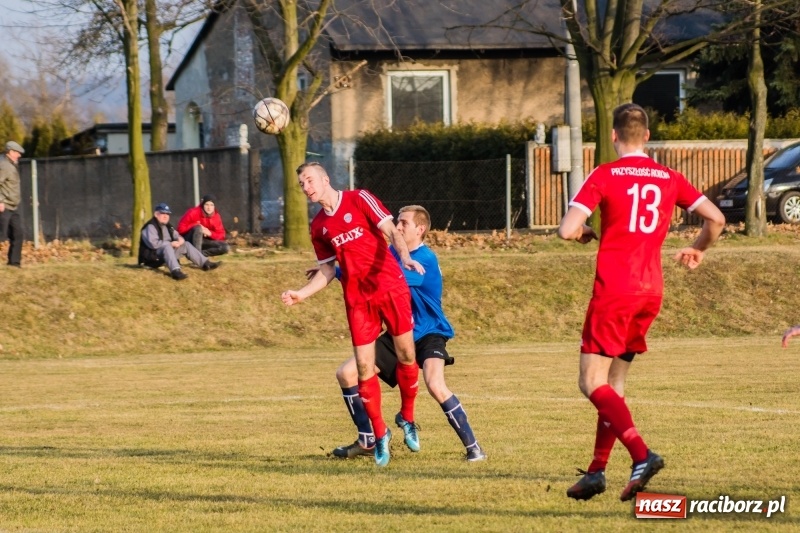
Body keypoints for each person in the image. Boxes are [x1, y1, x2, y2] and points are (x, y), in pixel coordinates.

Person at [558, 103, 725, 502]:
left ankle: (641, 454)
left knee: (590, 382)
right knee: (614, 385)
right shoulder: (669, 177)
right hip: (650, 291)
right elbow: (716, 218)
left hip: (615, 290)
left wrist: (583, 233)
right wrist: (698, 248)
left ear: (614, 135)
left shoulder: (605, 173)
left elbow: (566, 229)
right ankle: (597, 472)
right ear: (647, 136)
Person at [281, 162, 424, 467]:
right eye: (302, 185)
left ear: (325, 179)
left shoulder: (359, 199)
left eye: (309, 181)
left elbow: (391, 231)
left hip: (390, 287)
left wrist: (406, 258)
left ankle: (407, 417)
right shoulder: (318, 226)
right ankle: (380, 434)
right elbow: (328, 269)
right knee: (362, 367)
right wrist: (301, 294)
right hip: (358, 299)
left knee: (407, 355)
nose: (306, 188)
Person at [326, 205, 486, 462]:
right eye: (396, 222)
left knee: (435, 384)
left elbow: (383, 277)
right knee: (346, 374)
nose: (397, 227)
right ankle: (368, 439)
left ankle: (474, 447)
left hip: (428, 333)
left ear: (420, 229)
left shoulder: (424, 258)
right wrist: (331, 271)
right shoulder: (390, 252)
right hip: (399, 333)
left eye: (403, 223)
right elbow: (367, 270)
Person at [139, 202, 222, 280]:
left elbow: (177, 235)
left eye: (167, 214)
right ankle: (176, 271)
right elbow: (154, 244)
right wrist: (171, 244)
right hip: (151, 259)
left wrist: (180, 240)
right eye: (163, 213)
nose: (165, 216)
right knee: (167, 247)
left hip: (165, 255)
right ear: (156, 214)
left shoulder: (168, 226)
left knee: (186, 244)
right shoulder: (150, 226)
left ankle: (205, 263)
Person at [0, 141, 26, 267]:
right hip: (4, 206)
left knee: (18, 234)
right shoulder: (4, 165)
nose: (19, 155)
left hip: (13, 206)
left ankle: (14, 263)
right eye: (17, 153)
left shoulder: (12, 164)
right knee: (1, 235)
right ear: (10, 152)